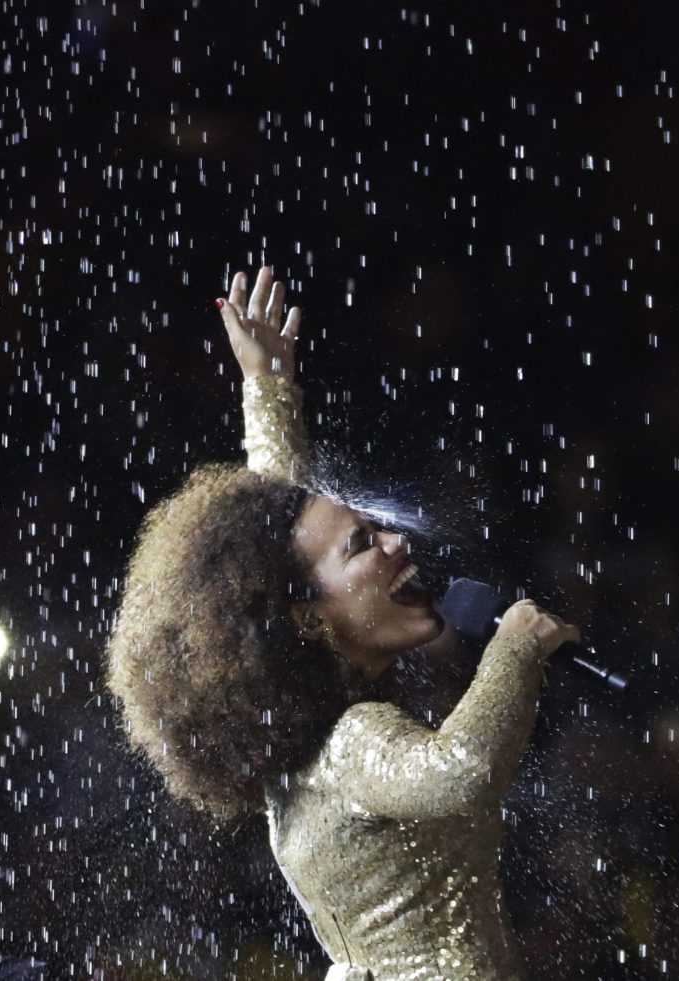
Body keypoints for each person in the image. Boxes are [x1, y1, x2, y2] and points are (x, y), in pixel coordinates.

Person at [105, 266, 580, 981]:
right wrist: (516, 647)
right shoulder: (350, 743)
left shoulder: (301, 737)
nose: (397, 543)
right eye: (365, 544)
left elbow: (279, 547)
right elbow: (462, 772)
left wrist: (266, 387)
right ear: (309, 620)